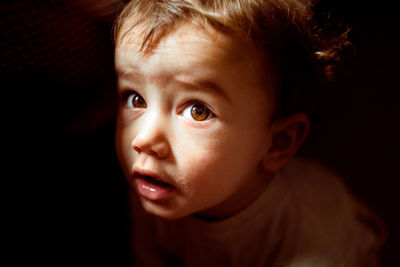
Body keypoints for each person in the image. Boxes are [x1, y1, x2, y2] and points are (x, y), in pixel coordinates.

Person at [113, 0, 386, 266]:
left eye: (198, 110)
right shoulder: (153, 184)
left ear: (277, 143)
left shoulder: (310, 239)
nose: (144, 140)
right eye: (135, 99)